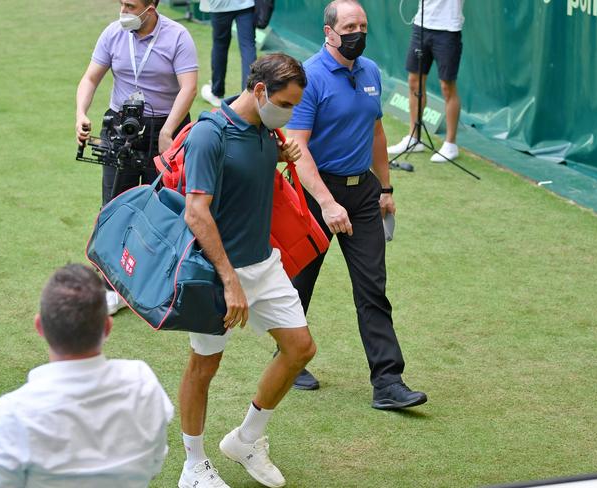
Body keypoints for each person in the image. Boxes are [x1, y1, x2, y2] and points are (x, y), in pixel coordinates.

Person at [177, 53, 315, 488]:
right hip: (217, 274)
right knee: (204, 366)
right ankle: (193, 465)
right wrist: (229, 280)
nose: (290, 114)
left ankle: (246, 439)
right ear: (259, 91)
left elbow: (247, 177)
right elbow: (196, 213)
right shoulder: (208, 135)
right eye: (287, 104)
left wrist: (279, 152)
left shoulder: (265, 130)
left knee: (300, 348)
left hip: (264, 263)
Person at [285, 0, 428, 409]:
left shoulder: (370, 72)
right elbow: (299, 148)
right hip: (314, 194)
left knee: (372, 287)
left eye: (362, 25)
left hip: (362, 193)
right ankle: (290, 358)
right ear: (328, 31)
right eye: (349, 25)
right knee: (299, 284)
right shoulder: (309, 77)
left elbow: (377, 132)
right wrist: (327, 203)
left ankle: (388, 382)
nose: (357, 32)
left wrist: (385, 189)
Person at [0, 264, 174, 487]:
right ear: (107, 327)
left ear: (39, 326)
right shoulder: (142, 383)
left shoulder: (13, 414)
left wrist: (2, 431)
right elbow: (153, 461)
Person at [75, 0, 198, 315]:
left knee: (165, 210)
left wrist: (169, 131)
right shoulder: (113, 34)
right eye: (122, 4)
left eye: (131, 5)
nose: (124, 11)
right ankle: (109, 285)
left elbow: (188, 88)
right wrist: (81, 114)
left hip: (165, 129)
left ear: (152, 6)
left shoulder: (178, 36)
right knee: (114, 207)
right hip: (122, 128)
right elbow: (91, 78)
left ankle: (158, 284)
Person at [387, 0, 465, 162]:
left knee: (447, 86)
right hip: (421, 25)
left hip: (448, 30)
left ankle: (450, 145)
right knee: (414, 81)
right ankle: (414, 138)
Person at [199, 0, 257, 108]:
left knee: (220, 46)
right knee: (248, 47)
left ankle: (217, 93)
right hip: (245, 5)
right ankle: (249, 96)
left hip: (219, 5)